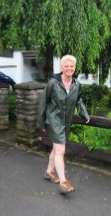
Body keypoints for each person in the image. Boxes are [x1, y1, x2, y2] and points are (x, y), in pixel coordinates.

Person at [36, 55, 90, 194]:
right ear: (61, 67)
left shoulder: (76, 84)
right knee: (60, 150)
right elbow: (43, 101)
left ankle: (49, 171)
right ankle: (63, 182)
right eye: (66, 66)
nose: (69, 68)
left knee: (56, 148)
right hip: (54, 120)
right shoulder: (53, 83)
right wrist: (41, 122)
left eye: (72, 66)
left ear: (75, 68)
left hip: (67, 121)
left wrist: (84, 114)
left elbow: (79, 100)